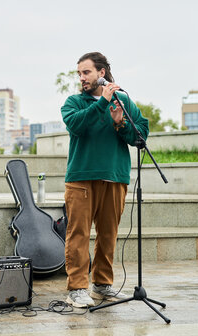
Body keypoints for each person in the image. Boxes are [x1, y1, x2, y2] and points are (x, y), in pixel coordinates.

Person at [60, 52, 149, 308]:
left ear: (102, 73)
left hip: (114, 178)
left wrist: (121, 124)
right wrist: (102, 104)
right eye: (79, 73)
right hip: (81, 178)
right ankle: (77, 289)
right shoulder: (73, 102)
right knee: (78, 234)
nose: (82, 77)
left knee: (108, 235)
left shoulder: (124, 101)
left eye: (86, 72)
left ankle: (101, 285)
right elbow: (76, 125)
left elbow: (140, 136)